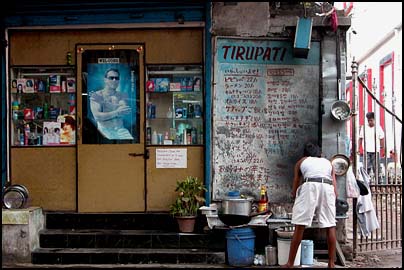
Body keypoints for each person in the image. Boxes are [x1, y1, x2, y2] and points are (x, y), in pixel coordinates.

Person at [282, 142, 337, 268]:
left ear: (305, 154)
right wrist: (332, 199)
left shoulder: (302, 161)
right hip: (327, 187)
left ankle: (290, 263)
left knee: (299, 226)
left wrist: (294, 194)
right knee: (330, 225)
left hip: (309, 186)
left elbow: (296, 181)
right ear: (320, 153)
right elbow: (335, 187)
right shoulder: (328, 163)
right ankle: (331, 263)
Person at [89, 68, 133, 140]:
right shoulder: (96, 95)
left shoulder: (122, 95)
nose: (114, 80)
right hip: (104, 132)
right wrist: (117, 112)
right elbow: (97, 116)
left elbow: (124, 109)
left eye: (117, 78)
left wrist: (104, 104)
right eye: (111, 78)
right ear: (105, 80)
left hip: (121, 131)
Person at [358, 112, 385, 176]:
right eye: (368, 120)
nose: (370, 122)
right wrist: (358, 148)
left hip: (375, 151)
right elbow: (360, 138)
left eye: (371, 120)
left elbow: (382, 138)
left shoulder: (378, 127)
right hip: (366, 150)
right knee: (366, 168)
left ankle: (377, 184)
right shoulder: (364, 127)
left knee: (376, 168)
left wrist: (382, 148)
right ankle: (366, 183)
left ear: (374, 120)